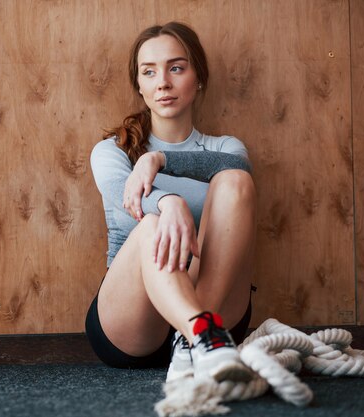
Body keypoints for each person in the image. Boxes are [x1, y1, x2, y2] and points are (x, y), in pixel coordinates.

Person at [85, 22, 257, 383]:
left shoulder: (226, 148)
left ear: (199, 79)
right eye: (149, 72)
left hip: (214, 303)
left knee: (236, 180)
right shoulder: (111, 151)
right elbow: (125, 194)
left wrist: (161, 160)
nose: (162, 81)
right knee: (151, 224)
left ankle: (196, 338)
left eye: (176, 68)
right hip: (133, 319)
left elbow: (238, 171)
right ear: (140, 86)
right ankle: (202, 336)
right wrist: (168, 202)